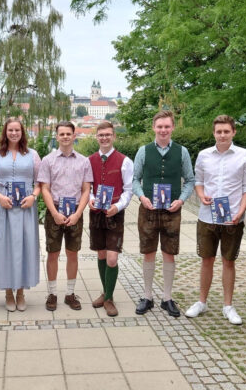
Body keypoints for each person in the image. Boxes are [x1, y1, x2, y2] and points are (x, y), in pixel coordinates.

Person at [184, 115, 246, 325]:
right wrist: (200, 194)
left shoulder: (245, 155)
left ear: (233, 132)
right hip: (207, 216)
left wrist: (240, 212)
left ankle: (228, 305)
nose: (222, 135)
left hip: (233, 217)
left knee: (228, 261)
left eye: (226, 131)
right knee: (206, 260)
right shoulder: (204, 155)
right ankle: (202, 302)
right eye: (219, 132)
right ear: (213, 133)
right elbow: (198, 181)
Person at [132, 110, 195, 317]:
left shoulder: (182, 151)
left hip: (171, 211)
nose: (163, 130)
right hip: (148, 209)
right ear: (154, 128)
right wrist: (142, 197)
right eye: (160, 126)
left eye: (167, 126)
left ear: (172, 128)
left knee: (169, 252)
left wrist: (181, 200)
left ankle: (167, 298)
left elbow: (190, 180)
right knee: (148, 251)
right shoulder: (143, 151)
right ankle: (147, 296)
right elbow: (135, 180)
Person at [0, 118, 41, 312]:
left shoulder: (33, 154)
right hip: (4, 208)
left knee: (25, 247)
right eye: (11, 130)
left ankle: (21, 292)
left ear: (22, 132)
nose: (14, 133)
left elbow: (41, 182)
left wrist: (34, 196)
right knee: (4, 248)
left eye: (17, 130)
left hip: (26, 208)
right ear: (5, 132)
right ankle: (8, 291)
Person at [38, 121, 93, 311]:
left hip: (75, 212)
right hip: (55, 210)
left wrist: (78, 214)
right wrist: (54, 213)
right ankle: (52, 293)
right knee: (52, 253)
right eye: (62, 134)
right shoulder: (48, 160)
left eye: (68, 134)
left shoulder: (84, 161)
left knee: (72, 253)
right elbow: (44, 188)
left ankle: (70, 293)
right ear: (57, 136)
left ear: (74, 136)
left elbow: (86, 190)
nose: (65, 137)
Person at [88, 121, 134, 317]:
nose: (104, 138)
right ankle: (106, 292)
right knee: (100, 255)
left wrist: (118, 206)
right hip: (96, 213)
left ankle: (109, 298)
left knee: (112, 258)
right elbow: (88, 188)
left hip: (115, 214)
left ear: (114, 136)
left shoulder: (125, 161)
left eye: (108, 135)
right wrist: (90, 200)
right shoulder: (89, 161)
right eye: (101, 135)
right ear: (97, 137)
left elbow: (128, 190)